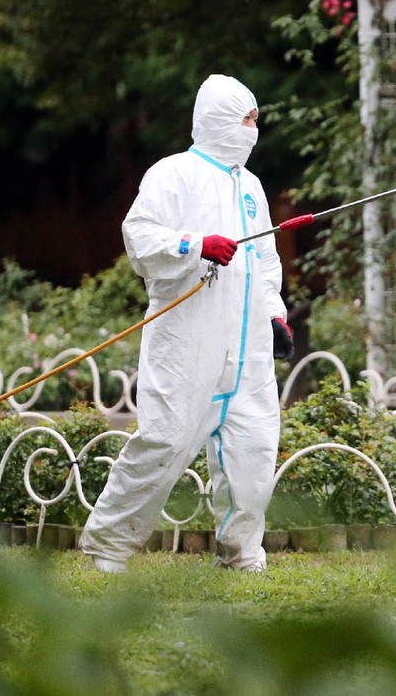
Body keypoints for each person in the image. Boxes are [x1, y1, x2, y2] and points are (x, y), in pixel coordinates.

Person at [80, 74, 291, 572]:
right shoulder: (173, 174)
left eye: (256, 119)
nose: (253, 129)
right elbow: (140, 235)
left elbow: (264, 258)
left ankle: (243, 555)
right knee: (164, 442)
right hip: (187, 340)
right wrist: (195, 245)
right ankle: (108, 548)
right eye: (247, 118)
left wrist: (274, 313)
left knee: (253, 450)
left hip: (247, 348)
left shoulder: (251, 186)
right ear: (219, 120)